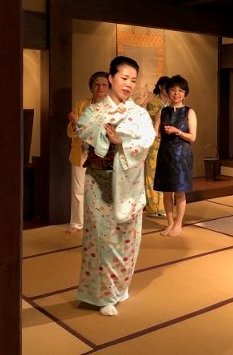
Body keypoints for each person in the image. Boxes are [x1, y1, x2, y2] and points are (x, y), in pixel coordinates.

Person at [75, 56, 156, 316]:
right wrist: (104, 134)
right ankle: (103, 295)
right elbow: (82, 129)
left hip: (128, 184)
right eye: (124, 78)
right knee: (102, 241)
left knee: (127, 240)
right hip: (99, 182)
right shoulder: (95, 110)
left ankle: (120, 288)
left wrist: (122, 142)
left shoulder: (139, 113)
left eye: (133, 80)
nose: (129, 84)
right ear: (111, 78)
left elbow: (147, 139)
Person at [65, 71, 110, 234]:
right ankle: (77, 223)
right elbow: (70, 133)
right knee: (78, 189)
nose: (100, 87)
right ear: (91, 87)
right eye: (97, 84)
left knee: (99, 190)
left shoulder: (112, 108)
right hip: (81, 152)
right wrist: (73, 123)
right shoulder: (81, 105)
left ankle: (98, 223)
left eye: (104, 85)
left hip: (101, 154)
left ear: (109, 88)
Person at [153, 75, 197, 236]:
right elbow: (155, 134)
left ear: (185, 93)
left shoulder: (189, 112)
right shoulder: (162, 111)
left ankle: (178, 223)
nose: (176, 93)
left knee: (179, 191)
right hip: (165, 154)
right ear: (168, 92)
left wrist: (177, 131)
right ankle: (170, 223)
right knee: (166, 192)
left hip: (181, 156)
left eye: (180, 90)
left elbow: (193, 137)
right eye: (173, 90)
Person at [144, 75, 171, 218]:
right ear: (160, 87)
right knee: (152, 174)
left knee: (166, 173)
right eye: (167, 87)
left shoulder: (171, 104)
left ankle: (164, 207)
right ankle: (153, 207)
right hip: (155, 142)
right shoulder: (153, 104)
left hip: (168, 142)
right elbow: (153, 123)